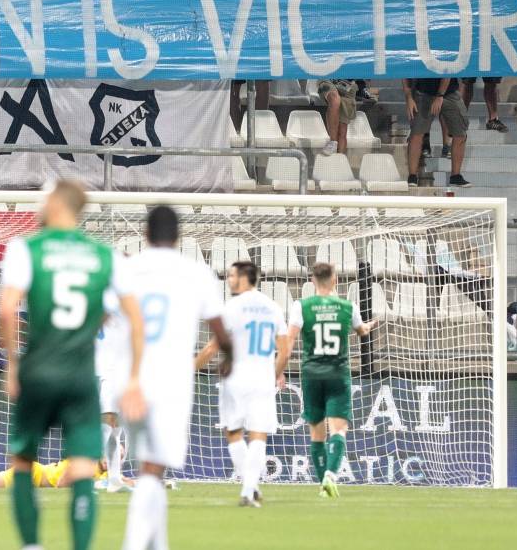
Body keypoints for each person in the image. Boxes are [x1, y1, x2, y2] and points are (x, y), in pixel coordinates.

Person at [0, 179, 142, 550]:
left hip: (39, 371)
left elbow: (7, 309)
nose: (37, 205)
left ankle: (32, 545)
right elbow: (133, 319)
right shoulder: (105, 255)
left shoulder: (26, 248)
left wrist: (12, 364)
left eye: (42, 199)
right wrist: (135, 378)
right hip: (81, 377)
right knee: (81, 469)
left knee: (24, 461)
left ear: (58, 204)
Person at [119, 206, 230, 550]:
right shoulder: (196, 273)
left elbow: (103, 317)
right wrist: (229, 357)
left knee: (151, 466)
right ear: (179, 236)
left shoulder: (127, 270)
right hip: (171, 382)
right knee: (153, 469)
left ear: (145, 234)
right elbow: (219, 327)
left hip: (131, 379)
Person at [193, 260, 287, 508]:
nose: (229, 279)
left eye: (233, 275)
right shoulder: (273, 307)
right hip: (262, 377)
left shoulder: (232, 307)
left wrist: (191, 368)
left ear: (245, 278)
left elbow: (214, 346)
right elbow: (285, 351)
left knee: (233, 432)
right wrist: (274, 374)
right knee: (258, 434)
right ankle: (250, 488)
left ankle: (249, 486)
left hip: (235, 376)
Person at [286, 262, 375, 499]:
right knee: (339, 430)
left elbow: (290, 339)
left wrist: (279, 368)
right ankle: (330, 476)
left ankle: (322, 482)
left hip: (312, 374)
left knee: (317, 434)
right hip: (338, 375)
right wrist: (369, 325)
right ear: (335, 279)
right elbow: (362, 331)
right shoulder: (348, 306)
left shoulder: (300, 306)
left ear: (312, 280)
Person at [405, 75, 469, 187]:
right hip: (422, 91)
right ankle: (412, 176)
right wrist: (409, 98)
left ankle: (456, 176)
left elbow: (448, 69)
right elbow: (404, 72)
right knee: (416, 133)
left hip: (449, 92)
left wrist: (440, 95)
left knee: (460, 133)